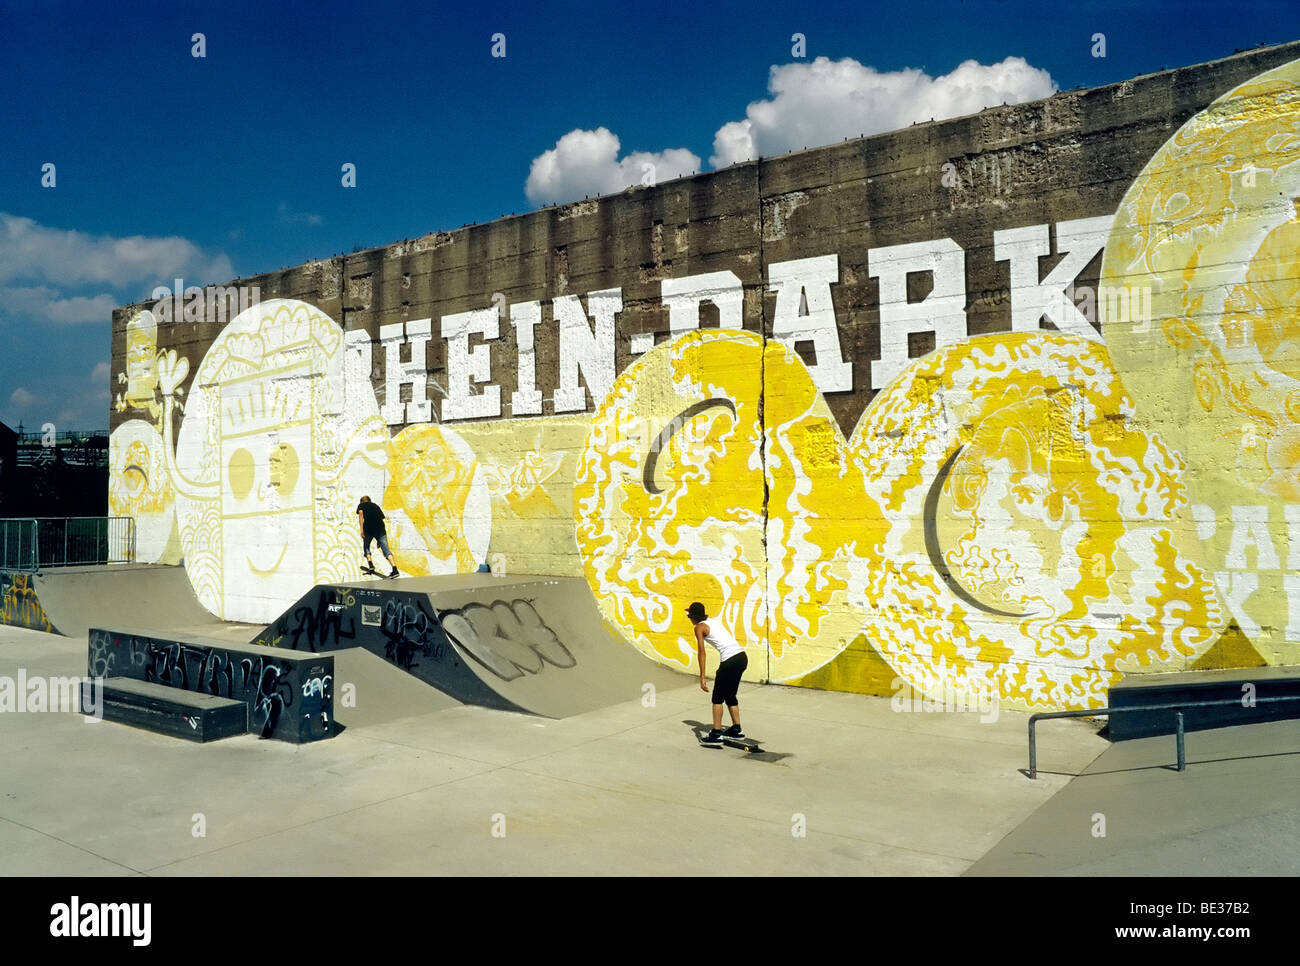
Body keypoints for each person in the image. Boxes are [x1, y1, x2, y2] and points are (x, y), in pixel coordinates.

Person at [688, 601, 747, 746]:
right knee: (730, 694)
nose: (689, 619)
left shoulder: (699, 627)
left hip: (730, 659)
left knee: (717, 698)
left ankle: (716, 733)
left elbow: (702, 652)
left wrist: (702, 677)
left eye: (689, 616)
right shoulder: (712, 621)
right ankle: (736, 729)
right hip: (741, 657)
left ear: (693, 617)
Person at [356, 495, 399, 577]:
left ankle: (371, 565)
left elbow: (361, 515)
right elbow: (382, 519)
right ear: (370, 500)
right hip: (380, 530)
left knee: (366, 546)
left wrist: (362, 530)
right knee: (386, 550)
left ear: (362, 501)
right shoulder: (376, 506)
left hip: (369, 530)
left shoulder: (361, 505)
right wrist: (379, 540)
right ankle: (395, 569)